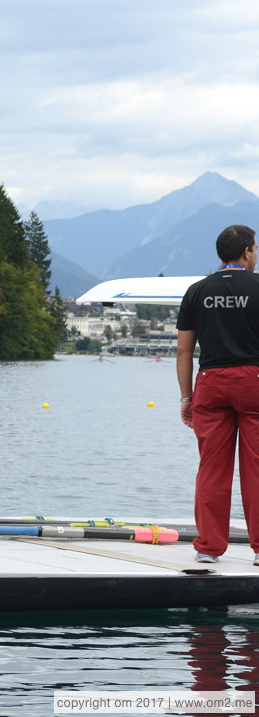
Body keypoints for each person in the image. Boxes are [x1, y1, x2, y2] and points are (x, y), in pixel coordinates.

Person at [176, 224, 259, 564]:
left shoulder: (197, 291)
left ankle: (209, 548)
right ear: (247, 252)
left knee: (211, 468)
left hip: (210, 381)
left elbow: (183, 352)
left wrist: (186, 397)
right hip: (254, 380)